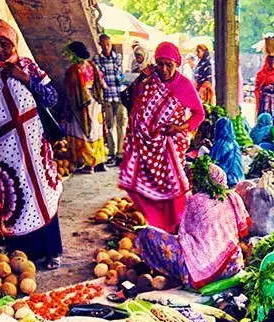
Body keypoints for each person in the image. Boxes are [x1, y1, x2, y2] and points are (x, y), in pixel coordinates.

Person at [0, 20, 64, 268]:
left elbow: (51, 98)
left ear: (13, 43)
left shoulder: (26, 66)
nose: (0, 50)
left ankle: (51, 252)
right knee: (14, 197)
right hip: (3, 151)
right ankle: (22, 256)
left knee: (42, 193)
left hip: (33, 145)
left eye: (5, 44)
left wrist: (26, 79)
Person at [119, 42, 206, 233]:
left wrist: (180, 127)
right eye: (160, 64)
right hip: (149, 144)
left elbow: (199, 113)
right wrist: (143, 77)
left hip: (172, 143)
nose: (164, 69)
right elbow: (132, 102)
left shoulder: (183, 84)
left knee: (173, 183)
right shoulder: (150, 81)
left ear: (177, 64)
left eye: (169, 65)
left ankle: (177, 224)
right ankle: (156, 225)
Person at [135, 161, 250, 289]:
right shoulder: (233, 197)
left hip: (204, 270)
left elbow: (182, 233)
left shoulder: (197, 201)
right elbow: (243, 230)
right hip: (232, 264)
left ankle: (179, 276)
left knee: (147, 234)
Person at [64, 41, 107, 173]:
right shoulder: (92, 66)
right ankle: (100, 162)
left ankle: (88, 164)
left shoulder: (73, 69)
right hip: (95, 102)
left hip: (81, 104)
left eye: (69, 54)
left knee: (83, 132)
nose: (67, 57)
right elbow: (103, 84)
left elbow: (70, 90)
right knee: (96, 131)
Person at [94, 33, 127, 166]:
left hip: (119, 94)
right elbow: (99, 77)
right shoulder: (97, 59)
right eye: (104, 44)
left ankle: (121, 153)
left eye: (108, 44)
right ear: (100, 45)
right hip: (107, 96)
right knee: (110, 125)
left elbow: (121, 76)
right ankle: (112, 153)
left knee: (122, 124)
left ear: (111, 44)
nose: (106, 47)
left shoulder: (118, 58)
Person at [208, 117, 244, 186]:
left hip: (228, 180)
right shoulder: (234, 143)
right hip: (239, 178)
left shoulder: (220, 144)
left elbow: (212, 164)